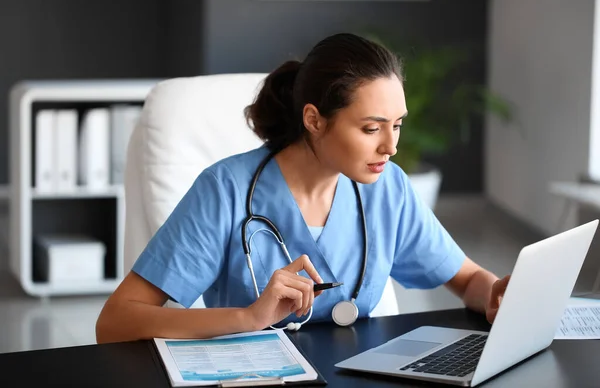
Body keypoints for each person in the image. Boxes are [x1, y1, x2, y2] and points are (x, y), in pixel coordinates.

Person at [95, 33, 510, 344]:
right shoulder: (225, 190)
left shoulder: (388, 189)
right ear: (314, 120)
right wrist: (248, 318)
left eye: (397, 124)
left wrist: (495, 292)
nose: (392, 146)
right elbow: (116, 322)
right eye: (371, 128)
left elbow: (467, 278)